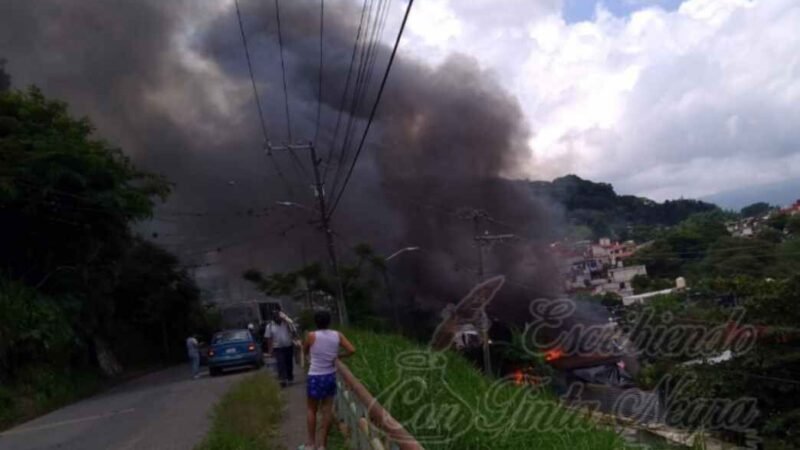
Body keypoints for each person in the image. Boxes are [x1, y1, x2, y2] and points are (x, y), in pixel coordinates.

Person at [300, 310, 355, 450]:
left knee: (311, 410)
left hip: (315, 376)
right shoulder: (337, 335)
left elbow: (304, 350)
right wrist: (338, 357)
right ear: (329, 321)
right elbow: (351, 350)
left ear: (316, 322)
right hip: (329, 376)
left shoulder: (311, 336)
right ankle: (323, 445)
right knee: (327, 411)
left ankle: (311, 444)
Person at [264, 307, 297, 386]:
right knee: (281, 364)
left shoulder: (286, 323)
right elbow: (269, 339)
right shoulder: (270, 326)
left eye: (277, 315)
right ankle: (283, 380)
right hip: (278, 348)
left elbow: (293, 328)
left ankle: (290, 377)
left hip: (288, 346)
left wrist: (286, 319)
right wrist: (270, 351)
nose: (276, 317)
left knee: (289, 363)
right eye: (274, 316)